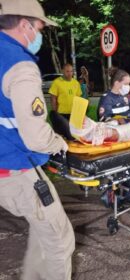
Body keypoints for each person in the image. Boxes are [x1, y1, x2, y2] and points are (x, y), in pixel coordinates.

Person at [0, 0, 75, 279]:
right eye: (39, 28)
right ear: (24, 25)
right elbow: (35, 137)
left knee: (41, 229)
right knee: (59, 240)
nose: (40, 36)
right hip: (14, 169)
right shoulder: (20, 65)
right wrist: (59, 144)